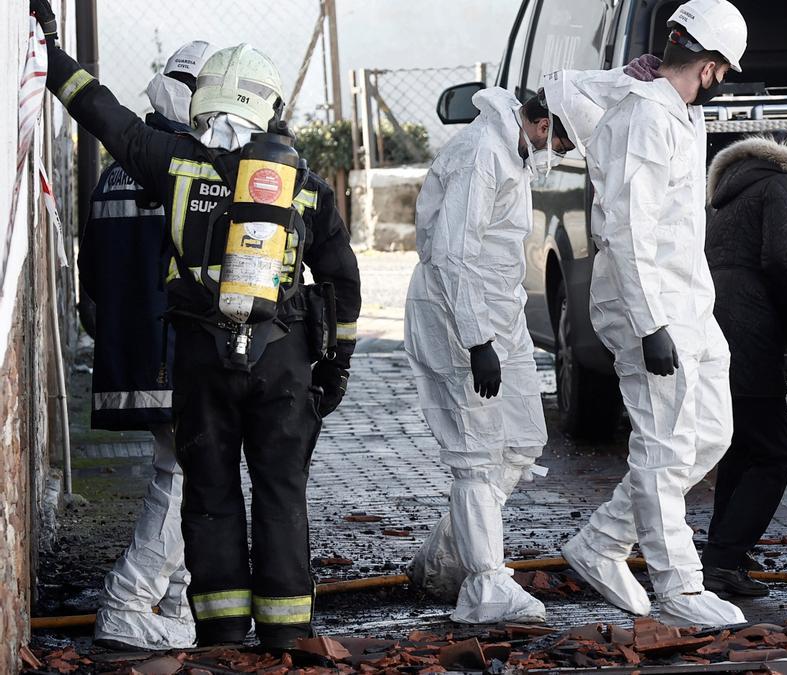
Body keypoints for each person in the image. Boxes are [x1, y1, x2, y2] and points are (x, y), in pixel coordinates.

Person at [32, 2, 362, 648]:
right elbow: (342, 278)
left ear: (204, 99)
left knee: (208, 492)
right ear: (266, 106)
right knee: (279, 490)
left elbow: (98, 111)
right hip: (283, 358)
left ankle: (218, 629)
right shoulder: (303, 184)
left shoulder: (171, 161)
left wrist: (45, 48)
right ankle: (288, 631)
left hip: (200, 357)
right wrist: (337, 365)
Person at [561, 0, 750, 627]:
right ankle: (680, 587)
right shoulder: (642, 114)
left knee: (711, 432)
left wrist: (625, 75)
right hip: (650, 308)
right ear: (716, 66)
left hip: (691, 302)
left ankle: (602, 542)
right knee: (664, 445)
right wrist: (649, 325)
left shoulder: (675, 110)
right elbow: (628, 229)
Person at [404, 85, 578, 624]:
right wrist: (478, 340)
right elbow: (452, 254)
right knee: (477, 452)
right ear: (545, 124)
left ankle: (444, 559)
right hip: (456, 315)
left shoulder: (511, 153)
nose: (563, 158)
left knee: (522, 438)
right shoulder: (482, 153)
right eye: (566, 145)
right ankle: (484, 585)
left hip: (497, 314)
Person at [81, 39, 210, 652]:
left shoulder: (115, 170)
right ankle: (128, 599)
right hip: (171, 357)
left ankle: (177, 600)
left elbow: (92, 291)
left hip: (136, 356)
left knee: (183, 471)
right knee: (180, 476)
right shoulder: (176, 165)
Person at [700, 130, 787, 597]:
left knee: (739, 449)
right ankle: (723, 560)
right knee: (772, 455)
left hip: (715, 319)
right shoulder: (783, 184)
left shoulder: (727, 195)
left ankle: (724, 550)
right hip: (749, 326)